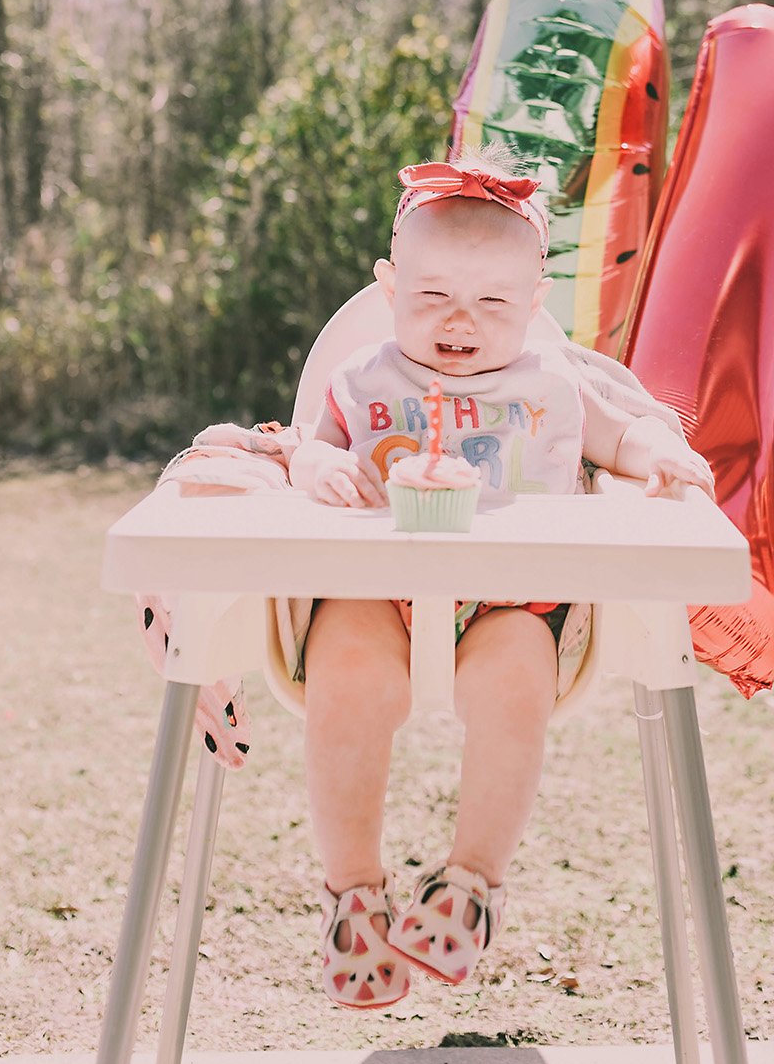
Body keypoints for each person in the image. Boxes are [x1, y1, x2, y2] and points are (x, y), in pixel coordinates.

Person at [287, 155, 713, 1010]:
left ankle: (470, 885)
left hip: (513, 599)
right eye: (433, 294)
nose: (461, 319)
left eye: (493, 301)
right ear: (389, 286)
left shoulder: (552, 386)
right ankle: (354, 895)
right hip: (375, 591)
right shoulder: (362, 381)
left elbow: (622, 438)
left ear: (534, 301)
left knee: (516, 682)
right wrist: (316, 465)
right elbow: (306, 448)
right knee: (347, 678)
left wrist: (662, 453)